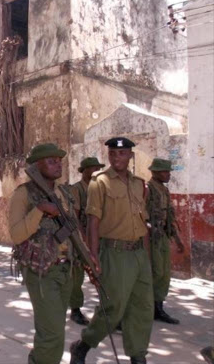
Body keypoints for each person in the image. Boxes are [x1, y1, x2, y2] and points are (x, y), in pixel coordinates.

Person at [70, 137, 152, 364]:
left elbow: (143, 223)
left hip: (138, 254)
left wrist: (146, 258)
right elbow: (93, 222)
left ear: (130, 156)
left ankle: (138, 356)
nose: (118, 158)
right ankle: (83, 345)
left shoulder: (138, 184)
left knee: (142, 308)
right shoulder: (100, 182)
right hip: (114, 253)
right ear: (109, 156)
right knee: (113, 309)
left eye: (123, 153)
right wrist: (93, 257)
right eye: (113, 154)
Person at [10, 143, 91, 364]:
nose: (58, 165)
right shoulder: (24, 193)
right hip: (42, 270)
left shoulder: (63, 191)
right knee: (51, 335)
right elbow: (16, 235)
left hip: (66, 269)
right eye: (52, 161)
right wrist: (40, 210)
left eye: (59, 161)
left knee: (55, 330)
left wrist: (87, 258)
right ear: (37, 166)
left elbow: (73, 228)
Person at [147, 158, 185, 324]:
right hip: (151, 237)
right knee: (155, 272)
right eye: (165, 172)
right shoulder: (148, 189)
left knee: (164, 273)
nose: (168, 175)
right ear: (155, 172)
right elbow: (142, 214)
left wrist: (177, 240)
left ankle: (158, 307)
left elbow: (169, 216)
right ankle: (148, 307)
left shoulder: (164, 190)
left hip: (162, 235)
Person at [68, 157, 105, 326]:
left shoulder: (100, 188)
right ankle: (75, 309)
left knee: (102, 272)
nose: (96, 171)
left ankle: (107, 308)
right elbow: (74, 216)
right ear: (84, 171)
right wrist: (84, 239)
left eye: (98, 168)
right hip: (80, 238)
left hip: (99, 237)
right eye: (93, 168)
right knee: (77, 276)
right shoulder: (77, 190)